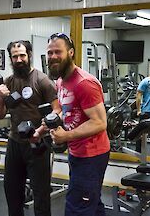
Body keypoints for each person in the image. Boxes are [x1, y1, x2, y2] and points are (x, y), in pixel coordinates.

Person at [45, 33, 110, 216]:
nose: (53, 57)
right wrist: (43, 127)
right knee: (92, 204)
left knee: (77, 209)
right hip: (77, 152)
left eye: (58, 52)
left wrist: (66, 136)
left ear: (71, 52)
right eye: (50, 53)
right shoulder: (61, 81)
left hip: (91, 155)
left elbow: (99, 122)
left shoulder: (84, 83)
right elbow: (63, 111)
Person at [0, 40, 59, 216]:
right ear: (11, 58)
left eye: (22, 55)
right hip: (15, 142)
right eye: (15, 56)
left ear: (29, 55)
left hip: (38, 143)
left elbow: (57, 111)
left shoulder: (42, 81)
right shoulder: (8, 82)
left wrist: (42, 131)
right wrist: (1, 97)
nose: (19, 59)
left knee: (41, 195)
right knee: (12, 193)